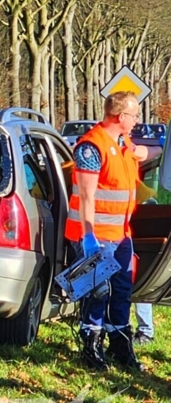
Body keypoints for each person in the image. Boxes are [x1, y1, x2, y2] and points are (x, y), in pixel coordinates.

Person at [65, 91, 146, 372]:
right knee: (98, 292)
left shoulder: (122, 143)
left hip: (121, 234)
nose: (137, 121)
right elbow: (87, 197)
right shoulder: (91, 148)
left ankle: (120, 344)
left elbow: (141, 153)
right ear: (121, 116)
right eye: (134, 116)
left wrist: (144, 152)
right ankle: (91, 345)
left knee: (121, 290)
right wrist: (89, 238)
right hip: (96, 235)